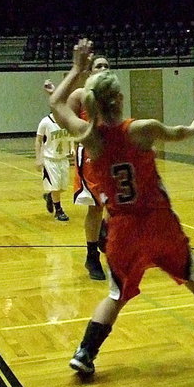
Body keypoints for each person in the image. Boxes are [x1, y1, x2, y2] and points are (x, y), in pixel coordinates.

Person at [50, 38, 194, 375]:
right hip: (158, 222)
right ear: (119, 98)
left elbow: (56, 103)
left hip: (122, 228)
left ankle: (85, 353)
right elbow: (177, 133)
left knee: (115, 296)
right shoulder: (141, 129)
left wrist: (76, 70)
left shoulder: (89, 136)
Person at [66, 55, 111, 281]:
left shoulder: (113, 95)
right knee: (95, 207)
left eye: (106, 65)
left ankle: (105, 231)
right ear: (90, 71)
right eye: (98, 66)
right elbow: (67, 121)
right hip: (90, 155)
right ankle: (91, 255)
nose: (103, 68)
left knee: (118, 203)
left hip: (111, 153)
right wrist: (73, 148)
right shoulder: (80, 95)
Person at [35, 87, 73, 221]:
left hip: (63, 158)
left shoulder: (66, 122)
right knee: (56, 187)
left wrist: (72, 148)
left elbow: (71, 136)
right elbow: (38, 140)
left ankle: (50, 196)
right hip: (50, 159)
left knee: (62, 187)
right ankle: (59, 210)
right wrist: (38, 158)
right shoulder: (45, 122)